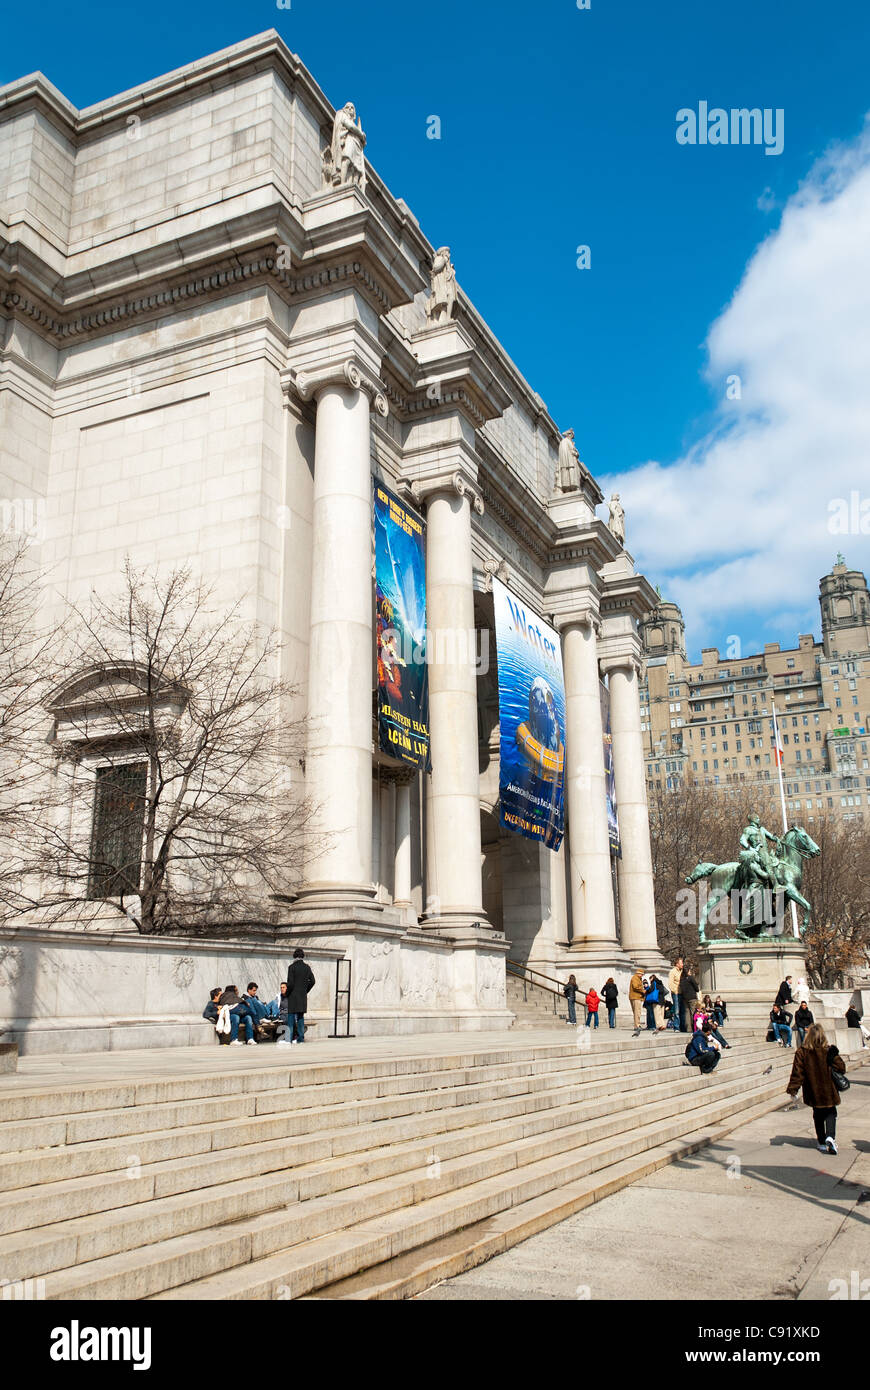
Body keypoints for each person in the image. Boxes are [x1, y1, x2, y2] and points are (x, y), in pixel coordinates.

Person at [786, 1022, 847, 1155]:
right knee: (831, 1113)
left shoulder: (802, 1052)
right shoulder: (829, 1050)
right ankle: (830, 1137)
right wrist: (833, 1056)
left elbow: (797, 1073)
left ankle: (821, 1142)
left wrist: (793, 1089)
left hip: (813, 1090)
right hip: (829, 1089)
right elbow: (842, 1068)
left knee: (818, 1115)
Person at [277, 948, 316, 1046]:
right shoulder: (307, 967)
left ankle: (289, 1039)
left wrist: (287, 993)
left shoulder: (292, 967)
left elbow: (290, 983)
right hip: (302, 996)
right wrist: (305, 990)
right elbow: (313, 981)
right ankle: (300, 1038)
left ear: (294, 956)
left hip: (293, 995)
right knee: (300, 1017)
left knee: (290, 1017)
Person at [679, 963, 700, 1034]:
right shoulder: (690, 978)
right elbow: (696, 988)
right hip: (692, 997)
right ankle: (694, 1027)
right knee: (693, 1012)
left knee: (687, 1013)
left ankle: (688, 1028)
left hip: (685, 998)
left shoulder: (681, 979)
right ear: (687, 971)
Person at [629, 966, 645, 1037]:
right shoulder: (635, 978)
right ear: (638, 973)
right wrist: (643, 990)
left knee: (637, 1012)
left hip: (636, 997)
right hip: (636, 997)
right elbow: (635, 987)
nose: (642, 976)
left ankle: (637, 1024)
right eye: (642, 974)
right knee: (637, 1012)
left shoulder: (638, 978)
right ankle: (637, 1026)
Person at [668, 957, 684, 1027]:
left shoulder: (682, 971)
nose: (682, 964)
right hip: (676, 993)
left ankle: (682, 1026)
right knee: (676, 1011)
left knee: (682, 1010)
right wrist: (675, 991)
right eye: (681, 963)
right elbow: (670, 983)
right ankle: (676, 1026)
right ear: (677, 964)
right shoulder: (673, 971)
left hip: (682, 993)